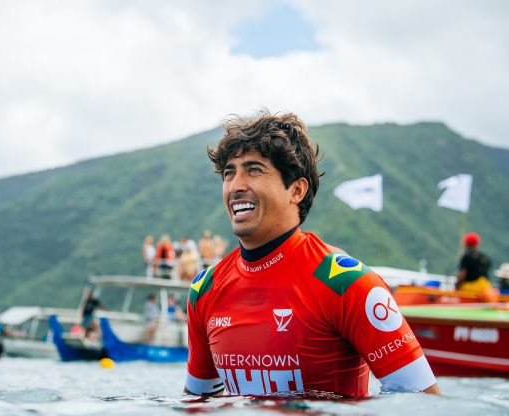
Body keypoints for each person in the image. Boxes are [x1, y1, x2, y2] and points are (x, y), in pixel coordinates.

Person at [184, 111, 440, 398]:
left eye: (253, 169)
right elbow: (198, 406)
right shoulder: (203, 290)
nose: (236, 186)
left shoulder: (348, 284)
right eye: (229, 173)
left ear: (296, 190)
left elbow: (425, 405)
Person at [456, 232, 496, 301]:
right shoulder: (485, 258)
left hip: (471, 291)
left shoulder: (466, 257)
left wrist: (456, 286)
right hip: (485, 290)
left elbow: (462, 274)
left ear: (467, 245)